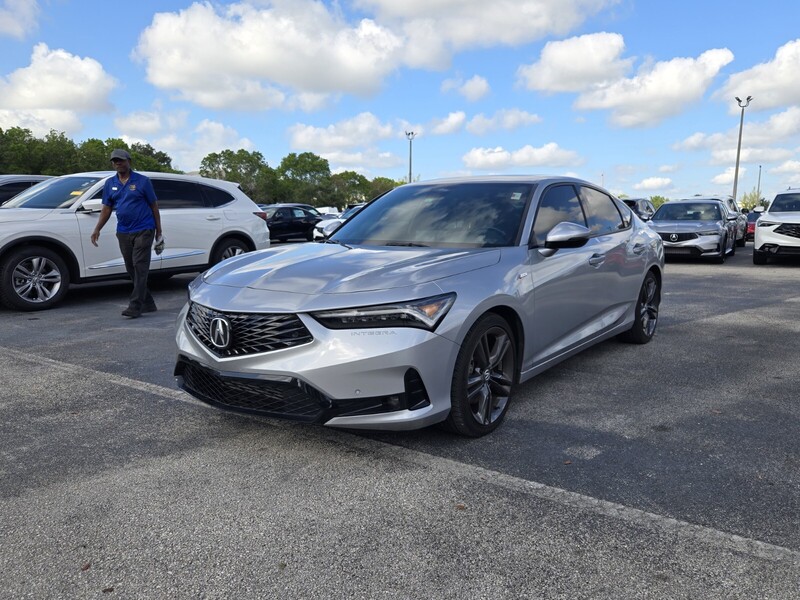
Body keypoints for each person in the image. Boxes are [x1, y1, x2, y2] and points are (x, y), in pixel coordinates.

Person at [90, 149, 162, 318]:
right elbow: (107, 208)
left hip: (144, 228)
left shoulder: (142, 181)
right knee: (131, 267)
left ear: (129, 161)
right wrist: (97, 228)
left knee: (140, 266)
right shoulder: (110, 183)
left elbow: (154, 206)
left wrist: (159, 230)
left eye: (121, 160)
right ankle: (149, 302)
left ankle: (135, 306)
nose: (118, 163)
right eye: (115, 161)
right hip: (123, 231)